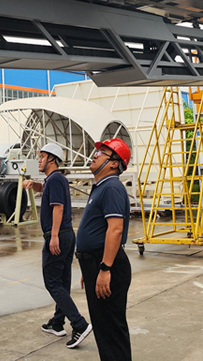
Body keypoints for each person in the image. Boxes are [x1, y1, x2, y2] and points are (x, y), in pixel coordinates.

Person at [22, 143, 92, 349]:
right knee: (62, 280)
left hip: (58, 235)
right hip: (68, 235)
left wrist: (53, 236)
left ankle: (79, 324)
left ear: (52, 159)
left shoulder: (55, 179)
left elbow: (58, 207)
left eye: (42, 157)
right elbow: (45, 189)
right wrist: (33, 184)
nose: (39, 160)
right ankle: (57, 323)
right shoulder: (56, 179)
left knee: (52, 282)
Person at [75, 138, 132, 361]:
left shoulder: (112, 187)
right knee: (103, 328)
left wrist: (105, 268)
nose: (95, 155)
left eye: (102, 153)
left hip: (109, 265)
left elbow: (115, 230)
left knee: (110, 329)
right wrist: (90, 268)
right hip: (97, 263)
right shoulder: (101, 187)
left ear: (114, 163)